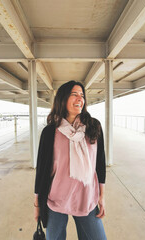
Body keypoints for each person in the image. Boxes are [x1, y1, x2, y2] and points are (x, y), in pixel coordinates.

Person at [34, 80, 107, 240]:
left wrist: (101, 196)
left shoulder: (94, 127)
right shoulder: (50, 132)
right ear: (62, 98)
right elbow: (42, 170)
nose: (80, 99)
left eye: (82, 95)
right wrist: (37, 204)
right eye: (74, 95)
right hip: (56, 200)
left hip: (86, 198)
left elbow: (99, 163)